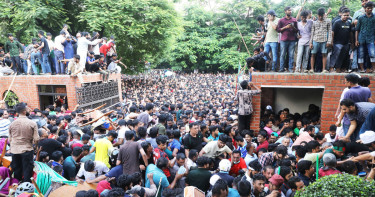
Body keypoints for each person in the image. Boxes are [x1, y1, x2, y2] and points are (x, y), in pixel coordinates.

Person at [9, 103, 39, 182]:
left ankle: (16, 186)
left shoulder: (12, 124)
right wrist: (34, 146)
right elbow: (36, 139)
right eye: (27, 109)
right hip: (27, 149)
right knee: (27, 171)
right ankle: (26, 189)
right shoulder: (32, 123)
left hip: (15, 150)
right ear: (24, 112)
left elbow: (10, 139)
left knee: (17, 170)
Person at [310, 8, 332, 73]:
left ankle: (323, 69)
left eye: (321, 16)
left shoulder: (328, 21)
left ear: (324, 15)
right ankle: (312, 69)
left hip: (324, 40)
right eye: (319, 16)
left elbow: (330, 31)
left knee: (324, 54)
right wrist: (310, 43)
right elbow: (312, 33)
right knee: (313, 54)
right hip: (315, 40)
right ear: (317, 15)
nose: (320, 17)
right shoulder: (314, 22)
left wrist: (329, 41)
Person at [355, 1, 375, 73]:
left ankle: (373, 68)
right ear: (365, 9)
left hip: (371, 39)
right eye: (368, 8)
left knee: (372, 54)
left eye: (371, 8)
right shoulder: (360, 18)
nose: (370, 9)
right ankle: (362, 69)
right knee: (360, 54)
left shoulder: (374, 17)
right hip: (361, 39)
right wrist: (356, 40)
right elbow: (357, 29)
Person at [277, 6, 298, 72]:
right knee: (282, 54)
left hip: (292, 40)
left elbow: (297, 30)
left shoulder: (294, 20)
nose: (290, 11)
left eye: (291, 10)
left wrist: (293, 27)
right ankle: (281, 68)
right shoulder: (281, 20)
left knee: (291, 55)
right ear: (285, 11)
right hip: (283, 40)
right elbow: (278, 30)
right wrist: (286, 27)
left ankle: (290, 68)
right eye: (289, 10)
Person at [330, 8, 351, 73]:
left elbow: (350, 33)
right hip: (337, 43)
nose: (346, 17)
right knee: (335, 55)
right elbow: (332, 32)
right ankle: (331, 68)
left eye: (347, 15)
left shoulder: (349, 23)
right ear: (341, 15)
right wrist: (331, 42)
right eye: (344, 15)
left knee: (342, 56)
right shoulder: (337, 22)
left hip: (346, 43)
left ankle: (338, 68)